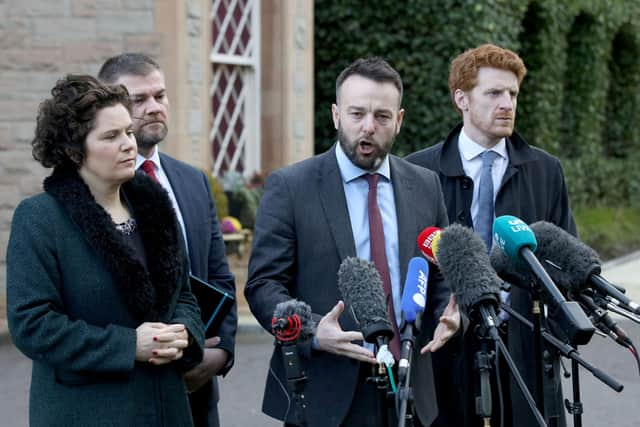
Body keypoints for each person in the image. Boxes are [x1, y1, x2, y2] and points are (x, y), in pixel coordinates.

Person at [245, 57, 461, 427]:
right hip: (325, 395)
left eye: (381, 116)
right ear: (335, 115)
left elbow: (439, 275)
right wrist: (313, 331)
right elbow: (264, 286)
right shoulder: (291, 187)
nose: (367, 127)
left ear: (399, 120)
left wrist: (451, 313)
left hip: (411, 392)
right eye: (356, 113)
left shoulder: (425, 185)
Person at [6, 75, 204, 426]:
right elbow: (32, 325)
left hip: (166, 409)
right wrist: (129, 345)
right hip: (86, 410)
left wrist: (183, 334)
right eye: (111, 136)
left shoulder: (154, 206)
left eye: (128, 131)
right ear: (72, 150)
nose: (128, 144)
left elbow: (184, 296)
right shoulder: (40, 219)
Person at [406, 44, 575, 427]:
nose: (507, 104)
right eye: (494, 93)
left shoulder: (545, 171)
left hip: (526, 352)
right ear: (461, 98)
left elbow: (564, 261)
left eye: (513, 94)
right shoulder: (418, 171)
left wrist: (552, 335)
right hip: (445, 350)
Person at [98, 53, 237, 427]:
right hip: (125, 392)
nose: (154, 107)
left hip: (197, 393)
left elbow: (218, 279)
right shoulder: (92, 191)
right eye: (138, 100)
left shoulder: (192, 182)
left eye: (160, 96)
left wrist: (220, 353)